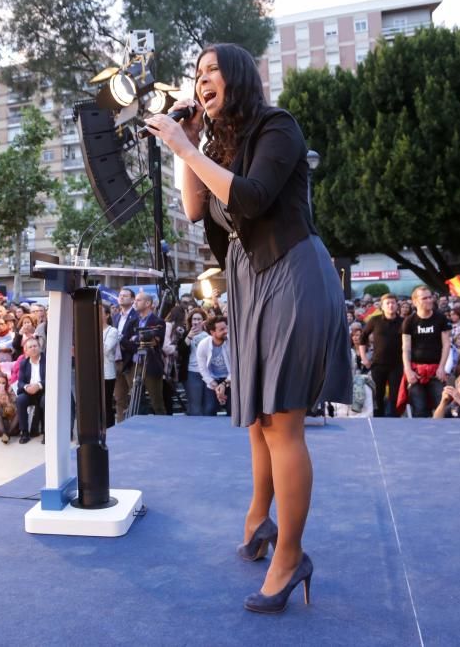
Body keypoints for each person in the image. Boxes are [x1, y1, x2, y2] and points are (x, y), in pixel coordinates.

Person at [144, 42, 351, 613]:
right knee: (260, 419)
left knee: (282, 422)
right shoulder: (220, 146)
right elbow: (193, 209)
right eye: (196, 74)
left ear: (236, 77)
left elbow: (254, 198)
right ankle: (260, 519)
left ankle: (290, 556)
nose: (201, 79)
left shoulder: (277, 126)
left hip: (292, 271)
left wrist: (188, 145)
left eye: (211, 70)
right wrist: (185, 147)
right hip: (250, 281)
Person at [401, 286, 451, 417]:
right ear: (415, 301)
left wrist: (442, 367)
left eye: (430, 297)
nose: (429, 300)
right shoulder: (409, 321)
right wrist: (408, 370)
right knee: (419, 409)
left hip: (436, 371)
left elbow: (446, 344)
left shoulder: (440, 318)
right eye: (425, 298)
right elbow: (406, 348)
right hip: (416, 371)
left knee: (442, 406)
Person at [118, 292, 166, 416]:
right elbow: (124, 341)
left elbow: (153, 343)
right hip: (134, 365)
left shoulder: (158, 321)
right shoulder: (133, 321)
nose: (135, 302)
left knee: (157, 403)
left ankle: (165, 429)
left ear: (148, 303)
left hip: (150, 365)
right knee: (136, 402)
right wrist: (139, 342)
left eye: (138, 300)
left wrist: (135, 340)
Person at [359, 294, 404, 416]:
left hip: (397, 364)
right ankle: (378, 420)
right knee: (377, 394)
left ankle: (394, 420)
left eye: (393, 303)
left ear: (397, 305)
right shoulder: (375, 320)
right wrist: (364, 358)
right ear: (382, 306)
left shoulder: (403, 322)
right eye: (387, 303)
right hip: (378, 364)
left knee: (395, 395)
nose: (390, 305)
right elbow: (362, 338)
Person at [196, 315, 231, 416]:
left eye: (226, 328)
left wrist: (224, 384)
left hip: (231, 380)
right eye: (222, 329)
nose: (226, 331)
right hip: (213, 381)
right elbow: (202, 369)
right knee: (209, 410)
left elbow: (237, 368)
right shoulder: (203, 345)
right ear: (212, 332)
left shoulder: (232, 342)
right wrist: (216, 387)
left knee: (233, 410)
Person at [112, 288, 138, 423]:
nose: (121, 298)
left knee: (135, 396)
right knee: (119, 397)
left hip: (131, 361)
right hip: (116, 360)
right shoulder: (115, 316)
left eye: (125, 296)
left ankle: (136, 423)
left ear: (132, 299)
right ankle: (121, 425)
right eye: (120, 295)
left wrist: (121, 339)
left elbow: (135, 343)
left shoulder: (136, 316)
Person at [15, 337, 46, 444]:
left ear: (39, 347)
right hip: (29, 392)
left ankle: (47, 433)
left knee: (45, 401)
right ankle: (24, 432)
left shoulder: (47, 360)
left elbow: (52, 378)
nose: (33, 348)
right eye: (30, 347)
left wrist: (38, 385)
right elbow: (20, 382)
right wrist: (26, 387)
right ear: (26, 351)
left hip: (44, 391)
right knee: (20, 400)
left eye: (35, 346)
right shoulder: (24, 363)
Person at [182, 308, 211, 416]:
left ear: (204, 320)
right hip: (192, 371)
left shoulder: (209, 333)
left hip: (208, 372)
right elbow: (181, 351)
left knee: (209, 405)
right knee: (195, 406)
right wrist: (189, 337)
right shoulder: (187, 334)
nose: (196, 322)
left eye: (199, 319)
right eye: (194, 319)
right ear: (190, 321)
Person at [101, 304, 119, 428]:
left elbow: (105, 349)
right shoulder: (90, 329)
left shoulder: (112, 331)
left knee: (107, 403)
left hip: (107, 372)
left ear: (107, 315)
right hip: (94, 372)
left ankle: (109, 428)